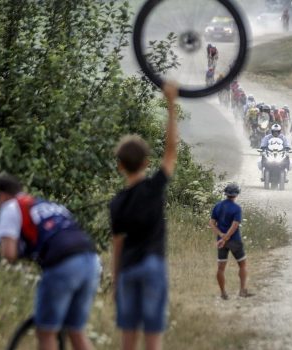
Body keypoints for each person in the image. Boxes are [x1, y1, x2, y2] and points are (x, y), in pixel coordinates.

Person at [0, 174, 99, 350]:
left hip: (63, 263)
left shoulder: (10, 207)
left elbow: (9, 253)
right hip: (91, 260)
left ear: (1, 196)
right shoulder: (48, 205)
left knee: (46, 332)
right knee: (76, 330)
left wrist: (27, 252)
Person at [109, 82, 179, 350]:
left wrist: (116, 283)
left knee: (128, 339)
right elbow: (171, 151)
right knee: (153, 338)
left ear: (120, 166)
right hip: (152, 266)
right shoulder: (153, 188)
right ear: (147, 163)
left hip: (127, 269)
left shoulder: (116, 203)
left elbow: (117, 245)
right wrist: (171, 105)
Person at [209, 183, 252, 299]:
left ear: (226, 193)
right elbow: (235, 225)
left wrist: (221, 236)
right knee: (242, 265)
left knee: (221, 268)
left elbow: (212, 223)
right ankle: (242, 291)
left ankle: (223, 293)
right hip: (235, 241)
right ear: (236, 194)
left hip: (220, 242)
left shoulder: (217, 206)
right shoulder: (236, 208)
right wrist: (226, 237)